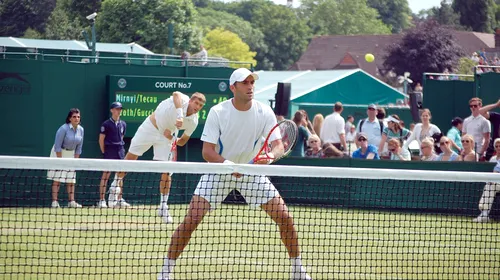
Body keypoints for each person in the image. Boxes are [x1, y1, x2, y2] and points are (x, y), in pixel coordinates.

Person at [158, 68, 311, 280]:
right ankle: (165, 273)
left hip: (252, 173)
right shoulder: (218, 112)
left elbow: (278, 145)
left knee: (285, 218)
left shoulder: (264, 111)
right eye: (245, 83)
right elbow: (207, 152)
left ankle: (298, 271)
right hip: (219, 172)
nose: (250, 86)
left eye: (252, 82)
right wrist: (230, 166)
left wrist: (270, 156)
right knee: (191, 220)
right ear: (233, 87)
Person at [111, 91, 206, 224]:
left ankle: (163, 206)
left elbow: (183, 141)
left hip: (166, 138)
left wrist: (171, 137)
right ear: (190, 101)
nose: (197, 106)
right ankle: (115, 185)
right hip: (150, 127)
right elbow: (175, 94)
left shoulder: (194, 121)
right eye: (196, 102)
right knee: (130, 159)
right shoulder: (182, 99)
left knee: (167, 171)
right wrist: (179, 115)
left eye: (201, 105)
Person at [47, 108, 84, 208]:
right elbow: (57, 146)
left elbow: (79, 148)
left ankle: (71, 201)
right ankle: (54, 202)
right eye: (74, 117)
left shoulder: (81, 130)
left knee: (71, 179)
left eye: (78, 117)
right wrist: (60, 160)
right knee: (57, 178)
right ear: (69, 118)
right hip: (59, 153)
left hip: (71, 154)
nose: (76, 119)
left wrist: (75, 161)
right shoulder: (63, 129)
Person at [97, 102, 126, 208]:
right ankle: (102, 200)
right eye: (117, 109)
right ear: (112, 110)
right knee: (106, 175)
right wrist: (104, 152)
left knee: (120, 176)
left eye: (120, 109)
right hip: (109, 151)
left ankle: (119, 199)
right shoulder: (106, 124)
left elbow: (122, 137)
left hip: (120, 151)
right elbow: (101, 140)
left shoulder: (123, 124)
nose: (119, 111)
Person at [473, 138, 500, 223]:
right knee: (490, 185)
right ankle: (484, 214)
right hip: (497, 183)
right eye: (497, 146)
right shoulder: (493, 159)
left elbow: (495, 171)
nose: (499, 148)